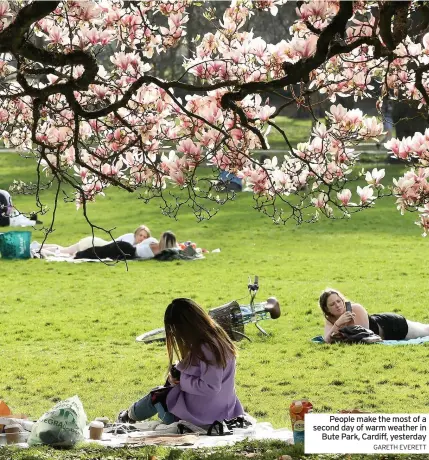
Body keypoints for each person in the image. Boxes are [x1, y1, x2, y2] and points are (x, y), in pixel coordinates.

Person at [117, 298, 244, 427]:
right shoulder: (217, 338)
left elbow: (211, 387)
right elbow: (206, 371)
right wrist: (178, 374)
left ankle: (128, 417)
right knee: (165, 391)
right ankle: (129, 415)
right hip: (221, 411)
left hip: (204, 418)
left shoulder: (207, 348)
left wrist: (182, 380)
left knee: (157, 396)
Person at [319, 288, 429, 343]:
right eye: (332, 304)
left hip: (392, 326)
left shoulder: (356, 309)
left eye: (339, 301)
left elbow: (365, 335)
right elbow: (327, 340)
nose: (337, 305)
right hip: (384, 329)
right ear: (326, 309)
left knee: (425, 331)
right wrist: (338, 323)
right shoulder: (331, 319)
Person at [37, 225, 152, 257]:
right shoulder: (129, 239)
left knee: (64, 249)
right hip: (95, 244)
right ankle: (38, 249)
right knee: (63, 251)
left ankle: (39, 246)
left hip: (94, 243)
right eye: (140, 235)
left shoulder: (135, 244)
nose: (142, 238)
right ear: (136, 234)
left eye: (144, 237)